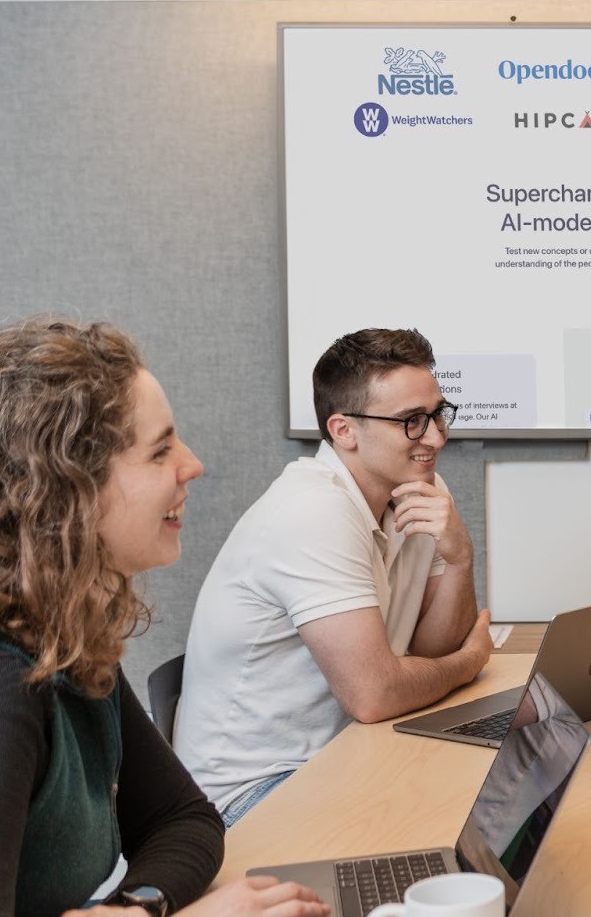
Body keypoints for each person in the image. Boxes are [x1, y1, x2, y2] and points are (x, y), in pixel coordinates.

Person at [0, 317, 328, 917]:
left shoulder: (60, 633)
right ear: (67, 491)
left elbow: (184, 819)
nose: (192, 465)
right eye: (160, 450)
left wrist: (133, 914)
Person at [175, 328, 492, 825]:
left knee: (488, 790)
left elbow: (433, 653)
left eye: (437, 414)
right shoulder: (313, 510)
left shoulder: (415, 487)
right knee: (454, 815)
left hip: (344, 755)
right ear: (344, 431)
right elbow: (376, 694)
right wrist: (470, 662)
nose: (435, 437)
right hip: (251, 796)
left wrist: (460, 559)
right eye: (411, 421)